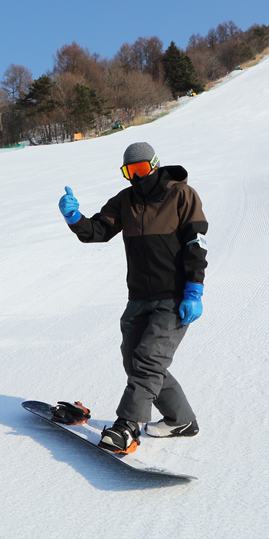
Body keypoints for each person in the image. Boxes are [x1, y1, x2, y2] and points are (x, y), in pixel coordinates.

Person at [57, 142, 208, 454]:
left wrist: (194, 290)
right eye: (130, 172)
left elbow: (196, 242)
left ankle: (127, 425)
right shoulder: (125, 200)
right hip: (139, 297)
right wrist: (74, 217)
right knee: (134, 360)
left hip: (175, 296)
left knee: (149, 360)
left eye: (141, 170)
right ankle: (181, 420)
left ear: (154, 165)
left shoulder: (182, 194)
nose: (137, 178)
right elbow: (96, 231)